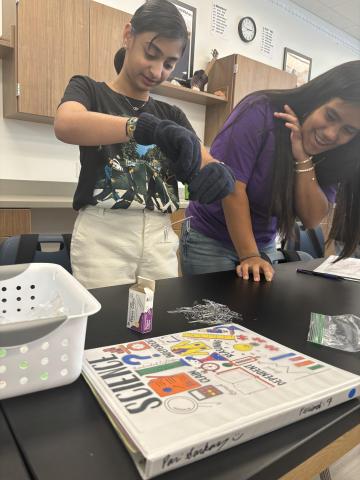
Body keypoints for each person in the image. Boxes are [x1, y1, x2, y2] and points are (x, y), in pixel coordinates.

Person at [54, 0, 234, 289]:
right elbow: (66, 124)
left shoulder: (171, 115)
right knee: (107, 324)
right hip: (103, 235)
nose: (156, 70)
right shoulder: (89, 90)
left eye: (169, 64)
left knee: (159, 325)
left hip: (159, 235)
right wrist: (136, 126)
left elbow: (204, 159)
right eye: (151, 54)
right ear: (128, 35)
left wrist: (219, 173)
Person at [180, 60, 360, 282]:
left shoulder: (335, 153)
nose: (332, 134)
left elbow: (312, 218)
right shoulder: (260, 110)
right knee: (212, 314)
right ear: (317, 99)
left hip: (263, 243)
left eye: (348, 130)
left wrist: (302, 158)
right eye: (331, 116)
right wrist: (250, 255)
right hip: (210, 238)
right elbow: (231, 188)